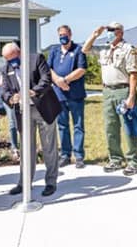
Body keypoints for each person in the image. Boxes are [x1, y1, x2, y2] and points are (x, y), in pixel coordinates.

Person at [0, 42, 61, 197]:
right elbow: (4, 90)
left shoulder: (36, 59)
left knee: (49, 147)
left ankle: (51, 182)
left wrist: (34, 91)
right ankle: (24, 183)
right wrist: (10, 98)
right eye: (7, 59)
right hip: (22, 112)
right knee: (27, 149)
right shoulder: (6, 69)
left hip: (43, 108)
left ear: (19, 52)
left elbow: (46, 79)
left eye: (12, 58)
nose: (10, 62)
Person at [83, 21, 137, 175]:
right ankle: (115, 159)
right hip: (107, 91)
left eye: (111, 30)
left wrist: (131, 96)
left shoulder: (128, 49)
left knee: (128, 127)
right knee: (111, 127)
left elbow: (133, 74)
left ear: (120, 32)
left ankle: (133, 161)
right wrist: (95, 35)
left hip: (123, 89)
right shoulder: (104, 49)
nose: (108, 33)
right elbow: (85, 49)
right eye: (108, 30)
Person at [48, 25, 88, 169]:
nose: (62, 37)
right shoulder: (54, 51)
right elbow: (49, 69)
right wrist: (58, 80)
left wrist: (66, 80)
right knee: (62, 126)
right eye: (60, 35)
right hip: (59, 95)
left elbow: (82, 69)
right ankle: (65, 154)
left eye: (65, 34)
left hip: (75, 94)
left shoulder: (78, 50)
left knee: (78, 125)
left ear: (70, 34)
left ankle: (78, 156)